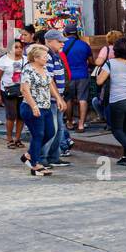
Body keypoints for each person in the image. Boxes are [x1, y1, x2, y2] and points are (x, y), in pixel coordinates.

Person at [95, 37, 126, 167]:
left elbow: (99, 81)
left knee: (116, 129)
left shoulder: (111, 63)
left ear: (115, 50)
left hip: (118, 100)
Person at [19, 43, 60, 176]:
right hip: (32, 107)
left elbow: (50, 85)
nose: (47, 58)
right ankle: (35, 165)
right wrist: (33, 106)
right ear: (35, 58)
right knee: (38, 134)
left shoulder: (45, 69)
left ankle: (29, 155)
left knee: (50, 132)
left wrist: (58, 99)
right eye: (44, 57)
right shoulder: (28, 70)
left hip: (46, 107)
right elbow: (24, 89)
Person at [41, 30, 73, 168]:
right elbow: (49, 80)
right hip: (51, 100)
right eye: (59, 41)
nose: (62, 44)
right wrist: (58, 98)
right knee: (52, 130)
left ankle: (54, 156)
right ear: (48, 41)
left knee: (59, 129)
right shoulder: (47, 56)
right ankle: (42, 157)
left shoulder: (55, 55)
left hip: (57, 99)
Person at [60, 22, 93, 132]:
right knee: (82, 99)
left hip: (68, 76)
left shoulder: (62, 45)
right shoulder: (84, 45)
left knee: (68, 99)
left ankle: (69, 122)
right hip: (83, 74)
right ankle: (81, 124)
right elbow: (91, 61)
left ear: (65, 33)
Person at [0, 38, 26, 150]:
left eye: (21, 47)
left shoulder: (26, 60)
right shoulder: (3, 61)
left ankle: (17, 138)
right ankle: (9, 138)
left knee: (21, 115)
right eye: (16, 47)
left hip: (23, 91)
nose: (19, 50)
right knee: (11, 115)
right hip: (8, 91)